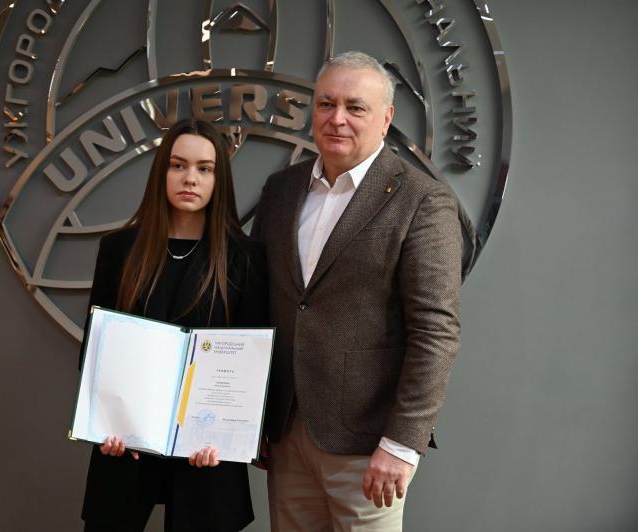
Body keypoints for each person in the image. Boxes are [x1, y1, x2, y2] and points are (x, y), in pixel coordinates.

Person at [251, 51, 462, 531]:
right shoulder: (281, 191)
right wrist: (251, 416)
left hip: (369, 446)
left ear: (385, 118)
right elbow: (262, 306)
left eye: (355, 107)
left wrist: (402, 443)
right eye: (326, 104)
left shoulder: (422, 200)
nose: (337, 118)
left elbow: (436, 331)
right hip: (286, 435)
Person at [81, 119, 267, 532]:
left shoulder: (246, 258)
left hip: (208, 452)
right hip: (124, 445)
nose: (190, 178)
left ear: (219, 180)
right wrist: (104, 423)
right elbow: (94, 353)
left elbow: (251, 369)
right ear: (161, 172)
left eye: (205, 168)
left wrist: (225, 436)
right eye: (178, 165)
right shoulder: (119, 250)